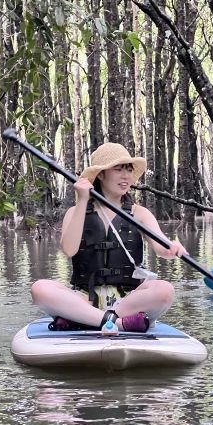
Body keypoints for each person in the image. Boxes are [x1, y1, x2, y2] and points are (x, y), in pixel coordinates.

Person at [30, 142, 187, 332]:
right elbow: (69, 250)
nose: (126, 176)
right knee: (40, 289)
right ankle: (114, 322)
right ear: (101, 174)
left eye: (129, 170)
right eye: (118, 169)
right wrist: (82, 201)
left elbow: (162, 248)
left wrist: (173, 248)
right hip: (85, 298)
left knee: (164, 290)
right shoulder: (74, 211)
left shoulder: (140, 213)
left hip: (129, 300)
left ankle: (82, 319)